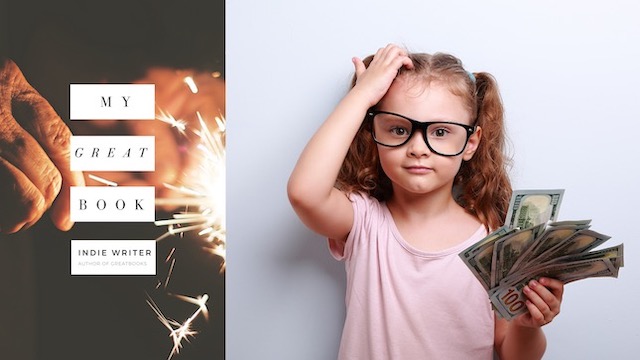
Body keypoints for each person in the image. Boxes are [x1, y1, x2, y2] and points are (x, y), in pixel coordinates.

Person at [287, 44, 564, 359]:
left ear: (471, 143)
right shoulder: (364, 221)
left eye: (441, 131)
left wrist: (528, 326)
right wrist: (362, 96)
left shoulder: (494, 240)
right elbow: (304, 193)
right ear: (373, 131)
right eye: (399, 128)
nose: (418, 148)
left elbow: (513, 352)